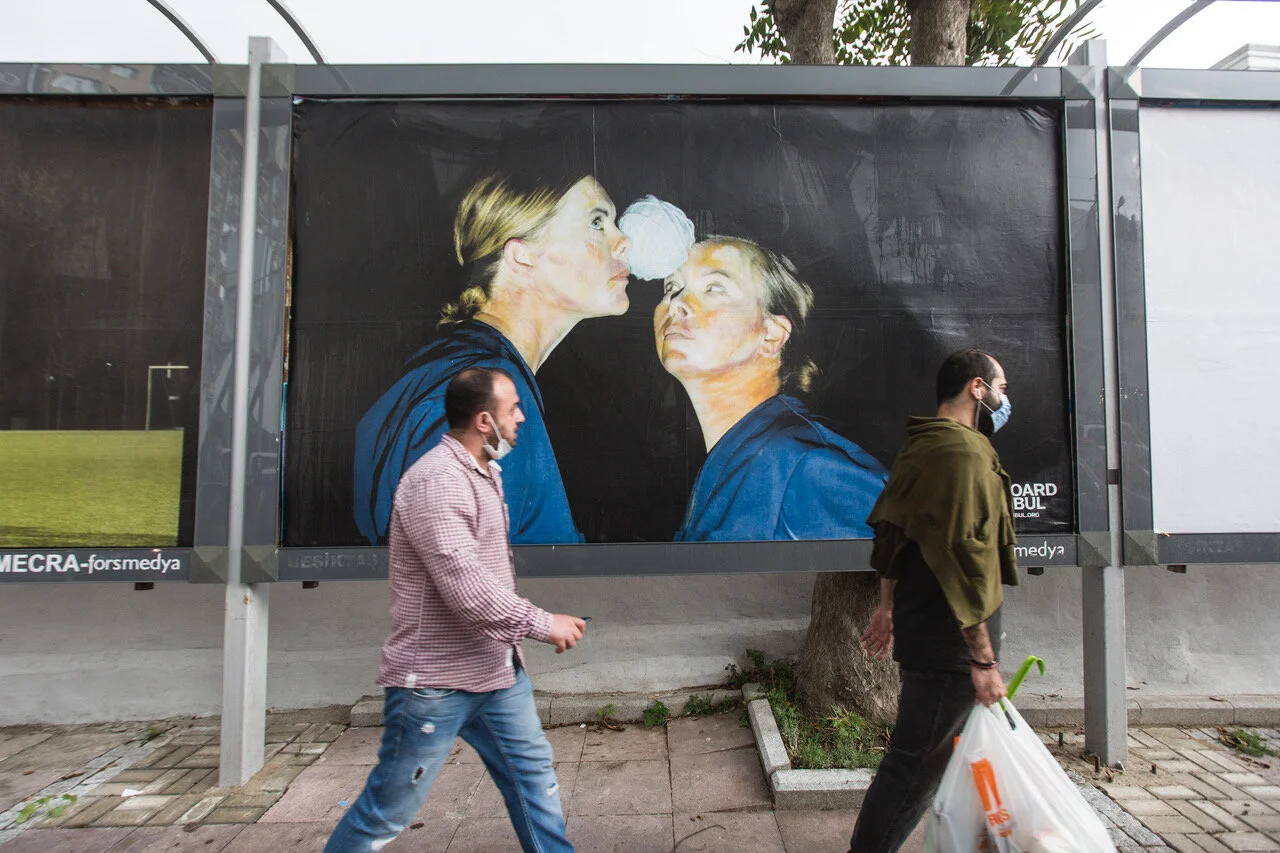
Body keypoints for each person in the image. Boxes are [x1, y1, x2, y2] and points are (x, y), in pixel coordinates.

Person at [326, 367, 586, 853]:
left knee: (535, 785)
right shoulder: (437, 482)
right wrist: (542, 623)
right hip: (436, 683)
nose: (522, 418)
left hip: (497, 674)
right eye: (513, 409)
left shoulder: (485, 472)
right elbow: (466, 588)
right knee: (388, 812)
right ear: (485, 420)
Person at [354, 173, 632, 545]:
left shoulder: (447, 371)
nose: (624, 241)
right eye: (597, 222)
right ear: (522, 255)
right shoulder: (485, 399)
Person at [847, 349, 1020, 853]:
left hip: (926, 626)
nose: (1006, 399)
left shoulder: (923, 446)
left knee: (923, 758)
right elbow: (964, 562)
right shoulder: (961, 454)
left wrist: (886, 607)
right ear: (977, 389)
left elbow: (893, 539)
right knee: (914, 767)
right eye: (1002, 388)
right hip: (951, 638)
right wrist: (982, 657)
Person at [653, 236, 887, 541]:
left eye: (714, 287)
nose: (678, 302)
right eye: (671, 286)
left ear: (772, 336)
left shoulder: (806, 467)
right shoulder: (733, 465)